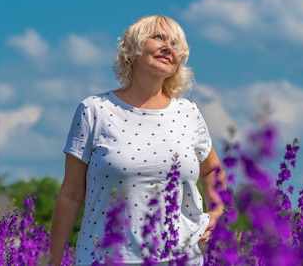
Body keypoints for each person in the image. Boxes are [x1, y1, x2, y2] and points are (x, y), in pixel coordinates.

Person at [48, 15, 226, 265]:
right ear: (133, 48)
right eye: (158, 37)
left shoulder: (188, 112)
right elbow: (71, 194)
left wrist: (217, 211)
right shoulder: (95, 110)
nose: (168, 47)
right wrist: (53, 259)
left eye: (176, 44)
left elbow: (212, 171)